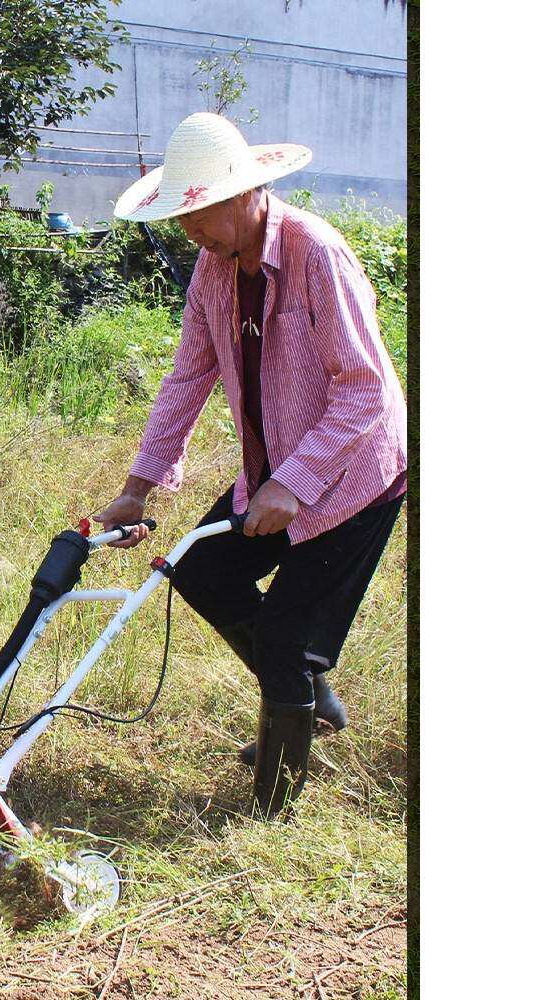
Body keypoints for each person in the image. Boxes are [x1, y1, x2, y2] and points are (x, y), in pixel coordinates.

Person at [94, 113, 406, 819]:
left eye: (198, 213)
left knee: (291, 636)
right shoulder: (213, 270)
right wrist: (136, 489)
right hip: (276, 472)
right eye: (181, 217)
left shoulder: (315, 254)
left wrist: (293, 484)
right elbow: (186, 379)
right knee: (202, 571)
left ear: (246, 195)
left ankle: (272, 808)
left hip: (355, 476)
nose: (189, 231)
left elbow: (367, 390)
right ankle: (305, 704)